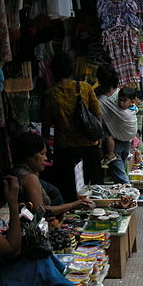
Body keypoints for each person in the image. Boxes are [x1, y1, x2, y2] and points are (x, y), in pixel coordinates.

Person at [40, 52, 102, 202]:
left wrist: (46, 149)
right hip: (89, 147)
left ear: (53, 71)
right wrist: (98, 139)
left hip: (64, 150)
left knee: (68, 192)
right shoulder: (85, 87)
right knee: (94, 190)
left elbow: (46, 126)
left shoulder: (50, 95)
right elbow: (97, 115)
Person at [13, 132, 92, 217]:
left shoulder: (19, 172)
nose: (45, 158)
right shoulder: (29, 178)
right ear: (29, 155)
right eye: (42, 154)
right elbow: (41, 212)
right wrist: (74, 205)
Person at [99, 83, 139, 185]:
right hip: (124, 143)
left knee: (121, 175)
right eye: (120, 100)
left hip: (122, 144)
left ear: (132, 101)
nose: (121, 103)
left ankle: (129, 194)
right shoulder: (131, 108)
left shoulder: (124, 112)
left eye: (124, 101)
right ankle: (126, 195)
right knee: (120, 173)